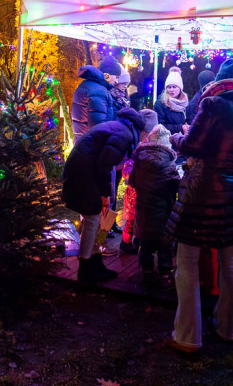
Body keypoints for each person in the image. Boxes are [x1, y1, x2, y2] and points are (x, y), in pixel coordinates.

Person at [166, 58, 233, 353]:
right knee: (229, 259)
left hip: (203, 190)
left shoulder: (213, 105)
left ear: (220, 80)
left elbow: (194, 145)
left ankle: (188, 336)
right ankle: (227, 328)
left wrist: (175, 137)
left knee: (187, 261)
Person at [62, 107, 145, 282]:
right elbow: (104, 166)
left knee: (93, 218)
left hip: (83, 170)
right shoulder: (124, 134)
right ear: (139, 128)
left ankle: (94, 262)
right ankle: (86, 268)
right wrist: (105, 195)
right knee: (92, 218)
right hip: (83, 172)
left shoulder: (117, 127)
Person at [129, 125, 180, 286]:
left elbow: (132, 182)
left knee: (146, 242)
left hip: (143, 210)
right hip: (163, 210)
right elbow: (174, 185)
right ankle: (165, 272)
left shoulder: (139, 160)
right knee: (164, 243)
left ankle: (147, 271)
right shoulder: (168, 163)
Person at [120, 109, 159, 253]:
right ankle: (125, 243)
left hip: (144, 191)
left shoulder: (154, 148)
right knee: (131, 220)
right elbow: (127, 168)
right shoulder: (136, 149)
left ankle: (137, 239)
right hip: (135, 191)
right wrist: (131, 174)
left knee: (140, 218)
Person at [71, 55, 123, 142]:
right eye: (116, 77)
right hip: (91, 148)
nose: (116, 81)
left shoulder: (86, 85)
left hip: (82, 144)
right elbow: (99, 129)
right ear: (107, 75)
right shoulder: (99, 91)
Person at [156, 67, 189, 135]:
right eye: (169, 87)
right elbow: (160, 126)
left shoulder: (184, 103)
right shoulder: (161, 103)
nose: (171, 90)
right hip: (166, 141)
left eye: (174, 87)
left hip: (181, 140)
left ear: (180, 88)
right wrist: (180, 128)